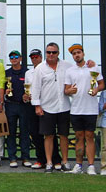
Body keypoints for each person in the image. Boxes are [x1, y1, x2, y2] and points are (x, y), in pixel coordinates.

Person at [30, 42, 72, 173]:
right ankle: (49, 163)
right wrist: (37, 106)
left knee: (64, 135)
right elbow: (35, 88)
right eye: (49, 52)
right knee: (48, 136)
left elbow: (79, 70)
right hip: (47, 107)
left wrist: (90, 65)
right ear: (45, 53)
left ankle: (65, 161)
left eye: (54, 52)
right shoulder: (40, 68)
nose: (51, 55)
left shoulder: (67, 66)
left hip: (64, 106)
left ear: (58, 53)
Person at [64, 44, 104, 175]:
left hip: (91, 109)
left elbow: (102, 84)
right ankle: (78, 165)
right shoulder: (70, 71)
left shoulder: (93, 67)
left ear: (83, 53)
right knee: (79, 137)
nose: (77, 55)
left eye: (79, 52)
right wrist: (69, 90)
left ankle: (91, 166)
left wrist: (96, 90)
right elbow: (66, 90)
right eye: (74, 53)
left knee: (90, 136)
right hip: (76, 109)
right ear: (72, 56)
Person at [23, 49, 62, 170]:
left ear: (41, 57)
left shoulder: (48, 69)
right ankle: (41, 159)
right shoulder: (28, 73)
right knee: (35, 133)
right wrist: (25, 96)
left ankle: (56, 159)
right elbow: (27, 90)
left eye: (36, 56)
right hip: (32, 105)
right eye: (32, 57)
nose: (34, 58)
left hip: (46, 105)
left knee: (50, 133)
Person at [4, 50, 31, 168]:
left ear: (20, 58)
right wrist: (6, 92)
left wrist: (28, 96)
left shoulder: (27, 72)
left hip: (24, 105)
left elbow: (32, 88)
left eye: (16, 56)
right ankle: (12, 157)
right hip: (10, 105)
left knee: (25, 132)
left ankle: (25, 157)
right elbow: (2, 89)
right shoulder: (6, 73)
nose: (14, 59)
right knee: (11, 132)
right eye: (11, 57)